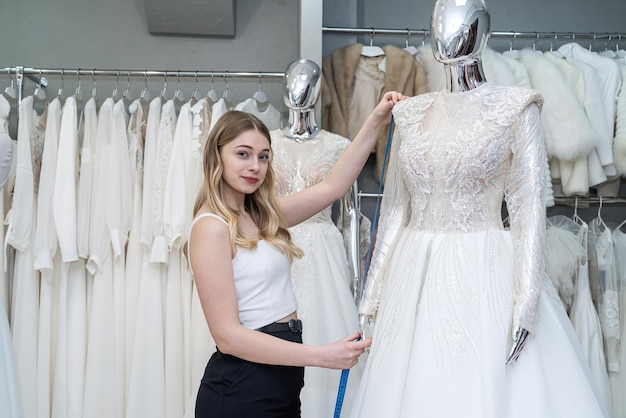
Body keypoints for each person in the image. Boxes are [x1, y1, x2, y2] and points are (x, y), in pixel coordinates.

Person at [349, 1, 611, 417]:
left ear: (481, 34)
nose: (448, 35)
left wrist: (526, 304)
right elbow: (395, 210)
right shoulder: (410, 113)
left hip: (484, 265)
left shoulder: (515, 107)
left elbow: (528, 211)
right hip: (412, 275)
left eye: (461, 26)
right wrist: (371, 297)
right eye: (439, 25)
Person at [186, 90, 405, 417]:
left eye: (263, 156)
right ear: (216, 157)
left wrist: (376, 120)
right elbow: (228, 336)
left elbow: (333, 187)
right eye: (243, 154)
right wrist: (322, 356)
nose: (255, 166)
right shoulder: (211, 227)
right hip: (242, 385)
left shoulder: (259, 217)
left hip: (280, 378)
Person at [270, 59, 366, 418]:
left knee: (326, 331)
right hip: (278, 247)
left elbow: (352, 216)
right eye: (292, 84)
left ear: (318, 91)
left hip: (324, 254)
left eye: (307, 84)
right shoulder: (266, 144)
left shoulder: (339, 145)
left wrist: (356, 281)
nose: (298, 92)